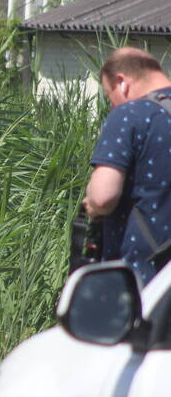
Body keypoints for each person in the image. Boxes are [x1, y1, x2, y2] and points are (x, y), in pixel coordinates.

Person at [84, 46, 171, 285]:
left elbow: (103, 196)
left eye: (109, 96)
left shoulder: (130, 114)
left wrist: (92, 204)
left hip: (143, 278)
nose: (112, 106)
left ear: (122, 83)